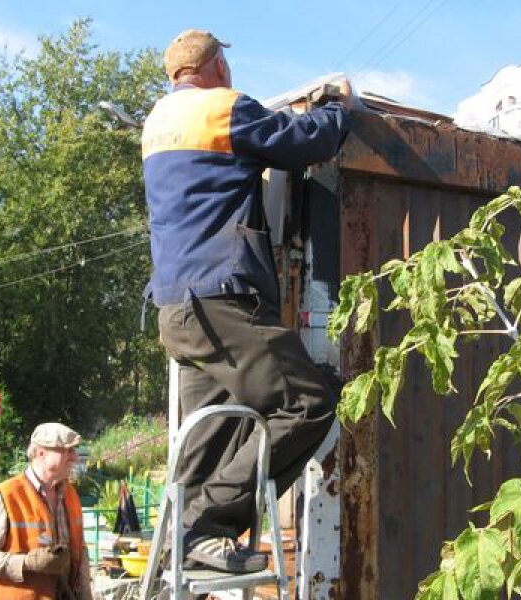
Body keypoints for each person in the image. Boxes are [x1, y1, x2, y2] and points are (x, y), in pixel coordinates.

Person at [141, 29, 352, 574]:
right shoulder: (221, 109)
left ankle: (179, 542)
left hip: (180, 311)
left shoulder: (157, 124)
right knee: (308, 405)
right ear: (215, 66)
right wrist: (338, 109)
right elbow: (305, 142)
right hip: (223, 302)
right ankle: (205, 527)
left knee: (211, 430)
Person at [0, 423, 92, 600]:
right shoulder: (6, 496)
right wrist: (27, 563)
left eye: (74, 450)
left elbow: (80, 554)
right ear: (41, 454)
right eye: (67, 451)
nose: (74, 457)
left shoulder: (70, 495)